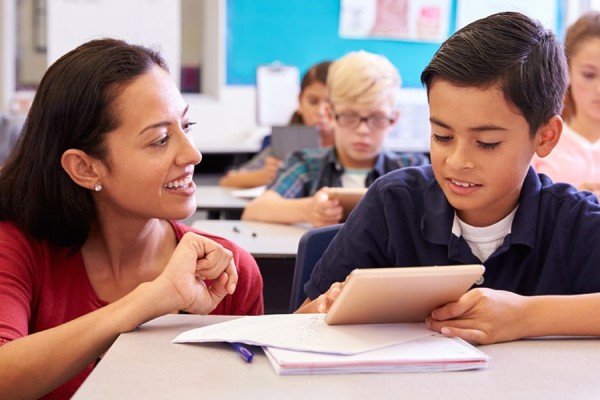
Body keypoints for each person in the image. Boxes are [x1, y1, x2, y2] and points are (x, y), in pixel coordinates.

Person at [297, 12, 600, 345]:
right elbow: (296, 323)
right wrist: (323, 311)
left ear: (545, 136)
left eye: (487, 143)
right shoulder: (393, 203)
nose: (457, 161)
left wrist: (525, 316)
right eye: (442, 136)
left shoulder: (575, 220)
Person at [0, 38, 264, 399]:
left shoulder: (227, 271)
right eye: (159, 139)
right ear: (85, 168)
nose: (193, 154)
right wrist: (152, 299)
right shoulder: (17, 248)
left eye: (186, 126)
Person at [241, 50, 429, 227]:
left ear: (393, 119)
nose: (363, 130)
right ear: (331, 115)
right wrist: (307, 210)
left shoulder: (411, 169)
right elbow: (255, 210)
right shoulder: (307, 164)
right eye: (349, 117)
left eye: (377, 118)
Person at [219, 61, 333, 188]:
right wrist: (264, 175)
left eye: (331, 103)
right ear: (300, 101)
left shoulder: (352, 145)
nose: (321, 112)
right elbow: (228, 181)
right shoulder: (288, 142)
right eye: (313, 102)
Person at [532, 11, 600, 196]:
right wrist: (570, 205)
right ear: (567, 71)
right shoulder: (543, 142)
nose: (599, 89)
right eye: (589, 75)